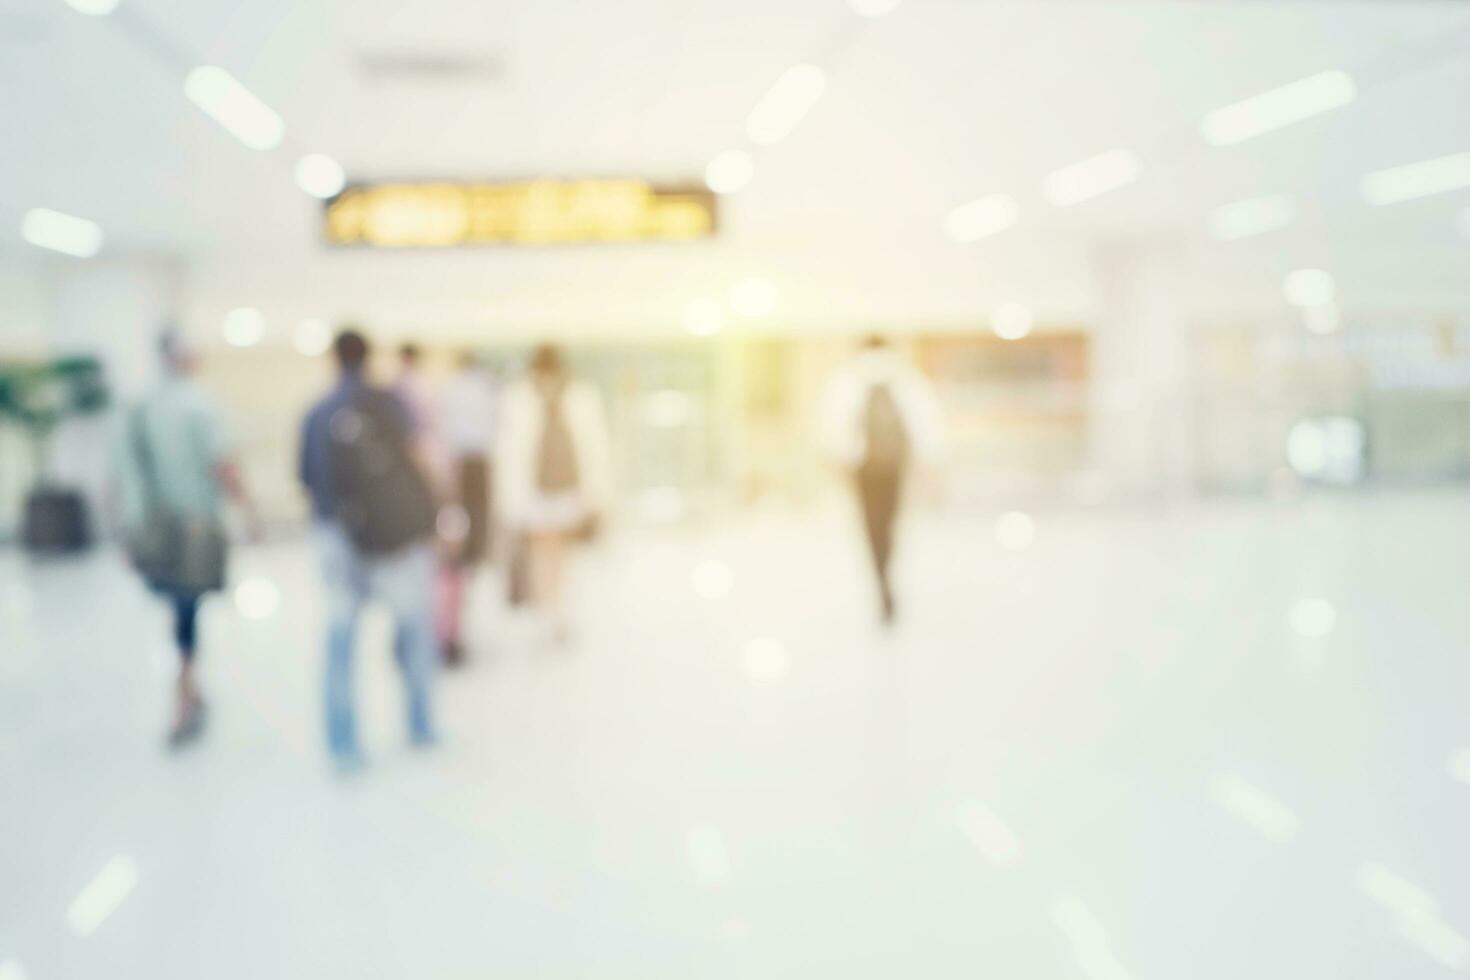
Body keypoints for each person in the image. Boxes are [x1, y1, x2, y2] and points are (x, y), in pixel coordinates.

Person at [300, 329, 440, 771]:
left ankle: (344, 747)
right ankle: (420, 726)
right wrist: (433, 516)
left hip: (338, 540)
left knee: (340, 644)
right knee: (416, 632)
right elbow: (418, 458)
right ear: (369, 357)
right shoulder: (391, 403)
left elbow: (306, 480)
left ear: (333, 359)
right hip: (397, 540)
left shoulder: (318, 414)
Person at [113, 329, 257, 748]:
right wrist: (249, 510)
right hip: (194, 527)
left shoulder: (142, 405)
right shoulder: (200, 402)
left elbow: (122, 476)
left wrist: (126, 529)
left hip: (153, 529)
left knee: (180, 611)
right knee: (186, 611)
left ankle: (188, 690)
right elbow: (222, 463)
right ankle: (184, 696)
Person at [818, 336, 943, 624]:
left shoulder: (849, 380)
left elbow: (833, 428)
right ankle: (885, 575)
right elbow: (926, 423)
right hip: (892, 466)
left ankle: (882, 575)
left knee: (873, 526)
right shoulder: (904, 380)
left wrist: (837, 462)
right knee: (888, 524)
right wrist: (929, 461)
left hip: (865, 468)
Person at [495, 345, 610, 646]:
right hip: (536, 495)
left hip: (567, 491)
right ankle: (548, 617)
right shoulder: (519, 400)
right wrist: (511, 503)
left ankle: (560, 615)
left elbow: (594, 448)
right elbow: (510, 455)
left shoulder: (580, 398)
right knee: (542, 556)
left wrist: (597, 493)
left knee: (561, 557)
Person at [435, 350, 498, 666]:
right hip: (465, 480)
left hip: (459, 482)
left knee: (454, 566)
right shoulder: (483, 389)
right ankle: (450, 633)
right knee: (457, 566)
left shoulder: (451, 391)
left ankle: (450, 632)